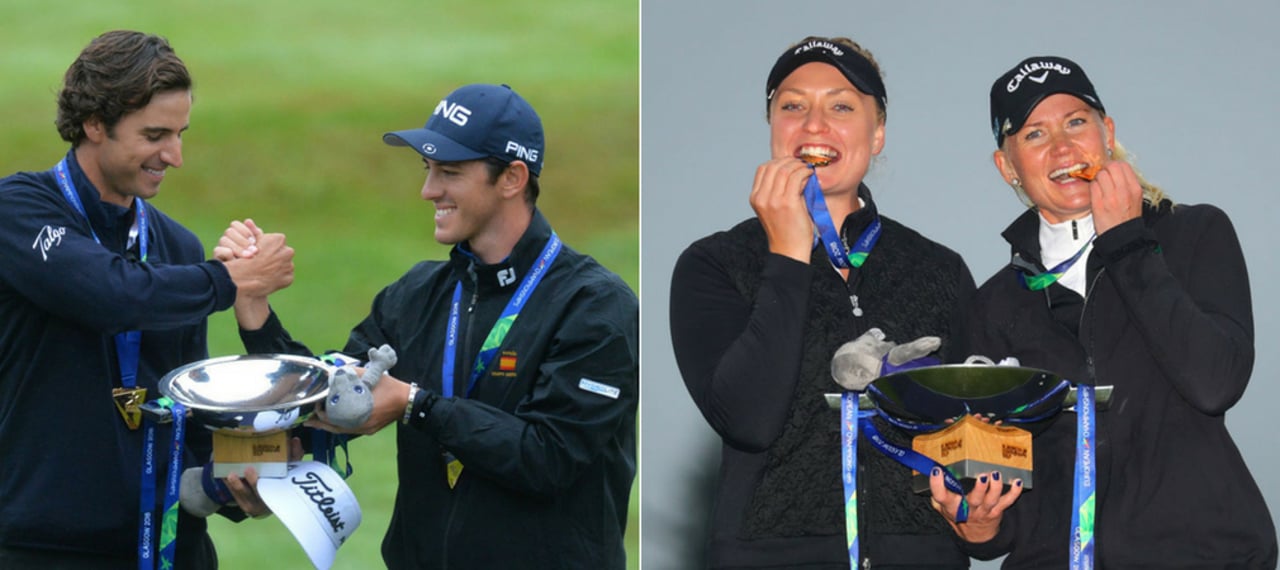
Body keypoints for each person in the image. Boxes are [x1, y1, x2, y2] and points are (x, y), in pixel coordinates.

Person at [219, 83, 639, 569]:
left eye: (450, 172)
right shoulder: (418, 294)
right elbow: (333, 402)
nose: (428, 190)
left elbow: (550, 459)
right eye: (428, 170)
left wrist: (416, 405)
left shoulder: (594, 305)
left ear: (512, 178)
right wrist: (255, 311)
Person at [928, 55, 1278, 567]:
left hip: (1206, 554)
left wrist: (1127, 242)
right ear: (1008, 167)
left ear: (1106, 132)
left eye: (1075, 122)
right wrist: (980, 525)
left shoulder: (1194, 235)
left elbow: (1215, 382)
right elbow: (996, 506)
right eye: (1033, 135)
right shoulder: (993, 304)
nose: (1063, 147)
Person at [668, 36, 976, 568]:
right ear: (772, 127)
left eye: (840, 105)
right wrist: (788, 255)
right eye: (792, 106)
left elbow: (968, 436)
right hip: (769, 556)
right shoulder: (714, 263)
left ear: (877, 132)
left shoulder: (939, 268)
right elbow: (748, 420)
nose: (814, 125)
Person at [0, 30, 296, 569]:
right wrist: (232, 280)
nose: (175, 156)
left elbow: (185, 403)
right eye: (155, 134)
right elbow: (112, 295)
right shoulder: (20, 212)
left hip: (166, 547)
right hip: (41, 549)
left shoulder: (177, 246)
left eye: (181, 133)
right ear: (95, 124)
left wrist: (239, 480)